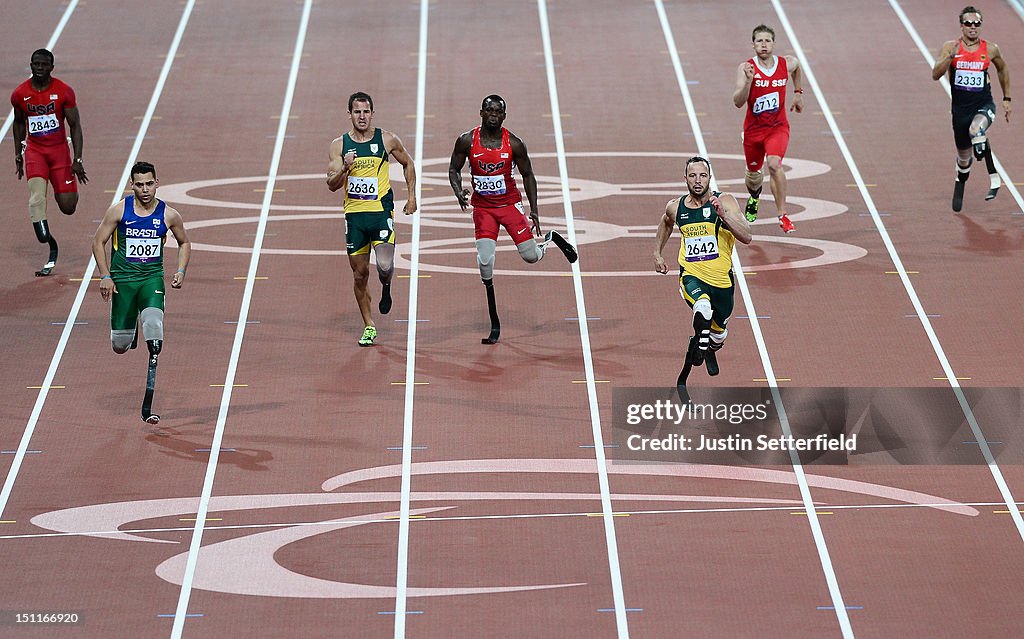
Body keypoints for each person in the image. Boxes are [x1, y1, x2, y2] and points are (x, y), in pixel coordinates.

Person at [448, 95, 578, 345]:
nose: (494, 115)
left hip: (509, 206)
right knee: (485, 263)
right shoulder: (466, 140)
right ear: (481, 113)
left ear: (504, 116)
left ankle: (550, 240)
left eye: (498, 112)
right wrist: (458, 190)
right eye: (489, 110)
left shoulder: (515, 144)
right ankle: (494, 320)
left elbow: (528, 175)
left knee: (530, 257)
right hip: (483, 209)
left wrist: (535, 210)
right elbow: (453, 168)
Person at [92, 161, 191, 424]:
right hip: (123, 281)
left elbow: (184, 242)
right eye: (139, 184)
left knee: (154, 325)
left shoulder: (169, 215)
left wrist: (180, 270)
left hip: (151, 279)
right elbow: (98, 241)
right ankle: (131, 331)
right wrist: (105, 275)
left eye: (149, 184)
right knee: (120, 346)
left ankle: (148, 403)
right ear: (132, 185)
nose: (145, 189)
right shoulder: (119, 211)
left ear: (157, 183)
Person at [327, 92, 417, 347]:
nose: (362, 116)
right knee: (359, 274)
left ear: (372, 113)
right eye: (357, 112)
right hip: (354, 217)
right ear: (350, 115)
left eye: (366, 112)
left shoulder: (386, 139)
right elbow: (331, 184)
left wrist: (412, 197)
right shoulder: (339, 145)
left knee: (385, 266)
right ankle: (369, 325)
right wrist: (345, 168)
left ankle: (386, 287)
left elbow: (408, 163)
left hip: (380, 213)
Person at [654, 156, 752, 386]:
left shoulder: (725, 201)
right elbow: (666, 222)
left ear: (709, 177)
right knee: (702, 307)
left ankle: (708, 345)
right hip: (692, 275)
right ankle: (701, 338)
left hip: (722, 282)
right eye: (693, 176)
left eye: (703, 175)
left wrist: (724, 216)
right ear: (685, 178)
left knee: (719, 335)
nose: (698, 181)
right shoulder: (676, 207)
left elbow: (747, 236)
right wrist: (657, 254)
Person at [10, 48, 87, 276]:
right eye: (36, 64)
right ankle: (45, 236)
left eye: (44, 65)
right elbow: (18, 124)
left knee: (68, 207)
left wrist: (78, 158)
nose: (40, 69)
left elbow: (75, 125)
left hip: (60, 153)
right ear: (31, 65)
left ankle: (58, 188)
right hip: (35, 152)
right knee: (35, 197)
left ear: (52, 67)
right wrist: (18, 153)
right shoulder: (19, 94)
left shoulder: (64, 91)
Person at [931, 6, 1011, 212]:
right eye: (968, 23)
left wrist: (1007, 98)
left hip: (983, 104)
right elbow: (935, 74)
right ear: (961, 26)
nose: (973, 27)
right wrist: (950, 57)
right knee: (964, 159)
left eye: (977, 23)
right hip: (960, 111)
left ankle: (982, 148)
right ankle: (961, 179)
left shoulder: (990, 49)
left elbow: (1002, 69)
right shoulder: (950, 47)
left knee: (976, 130)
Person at [732, 24, 803, 234]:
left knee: (774, 164)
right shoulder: (746, 68)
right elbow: (737, 102)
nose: (764, 44)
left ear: (773, 43)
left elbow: (797, 67)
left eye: (767, 40)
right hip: (754, 132)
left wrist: (798, 92)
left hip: (777, 128)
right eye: (759, 41)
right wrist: (748, 82)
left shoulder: (785, 63)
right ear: (753, 44)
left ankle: (782, 215)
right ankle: (754, 197)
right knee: (754, 177)